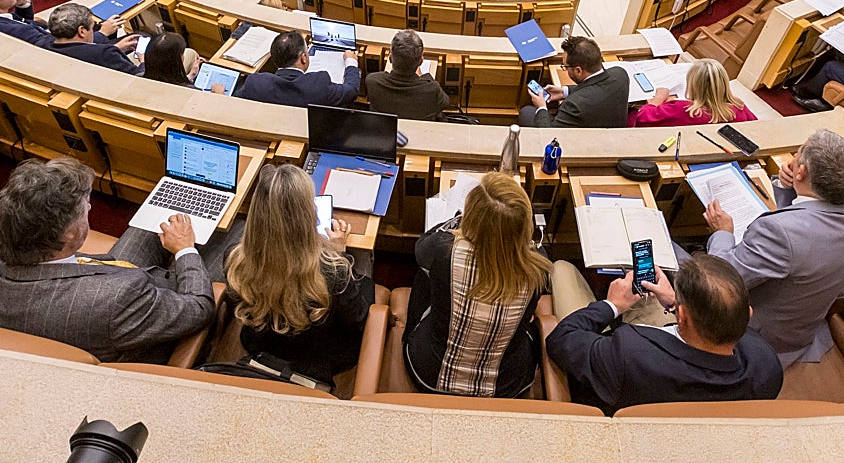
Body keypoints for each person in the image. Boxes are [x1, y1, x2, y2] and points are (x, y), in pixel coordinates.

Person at [0, 158, 216, 363]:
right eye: (85, 207)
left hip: (99, 289)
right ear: (69, 234)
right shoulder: (116, 300)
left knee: (152, 221)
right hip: (139, 322)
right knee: (234, 236)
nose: (90, 209)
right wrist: (184, 250)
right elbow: (198, 308)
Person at [700, 129, 844, 367]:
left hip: (757, 340)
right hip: (801, 330)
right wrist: (787, 186)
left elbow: (719, 277)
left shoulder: (778, 232)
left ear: (801, 171)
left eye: (798, 153)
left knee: (677, 255)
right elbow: (803, 221)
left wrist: (722, 232)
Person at [546, 254, 782, 415]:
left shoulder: (627, 354)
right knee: (648, 300)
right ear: (748, 313)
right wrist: (673, 302)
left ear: (683, 316)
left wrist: (612, 304)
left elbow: (561, 339)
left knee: (562, 269)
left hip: (613, 384)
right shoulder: (767, 365)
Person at [223, 164, 373, 389]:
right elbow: (359, 318)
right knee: (363, 265)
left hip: (261, 344)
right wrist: (339, 253)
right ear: (306, 216)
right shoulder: (333, 272)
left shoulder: (235, 260)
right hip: (322, 359)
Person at [403, 172, 552, 397]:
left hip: (430, 376)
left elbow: (422, 245)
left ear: (471, 218)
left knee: (426, 277)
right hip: (506, 387)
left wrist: (459, 219)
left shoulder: (442, 251)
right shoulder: (539, 267)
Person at [519, 36, 629, 128]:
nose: (565, 69)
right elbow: (597, 86)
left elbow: (549, 135)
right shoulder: (620, 74)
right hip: (611, 129)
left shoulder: (574, 106)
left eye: (565, 66)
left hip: (584, 142)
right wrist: (563, 92)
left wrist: (541, 107)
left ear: (578, 70)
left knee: (527, 112)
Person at [234, 30, 359, 108]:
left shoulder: (256, 83)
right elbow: (351, 90)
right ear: (303, 58)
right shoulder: (319, 85)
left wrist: (219, 94)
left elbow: (234, 102)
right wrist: (351, 61)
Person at [630, 59, 757, 127]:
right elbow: (755, 126)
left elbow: (642, 118)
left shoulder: (683, 109)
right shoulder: (739, 107)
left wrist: (657, 100)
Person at [365, 30, 449, 121]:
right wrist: (424, 76)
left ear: (390, 58)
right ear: (421, 61)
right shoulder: (432, 90)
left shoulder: (372, 81)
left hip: (384, 132)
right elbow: (445, 102)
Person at [48, 3, 144, 75]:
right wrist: (143, 60)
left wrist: (116, 48)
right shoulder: (105, 54)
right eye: (91, 27)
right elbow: (139, 77)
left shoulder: (46, 46)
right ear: (82, 31)